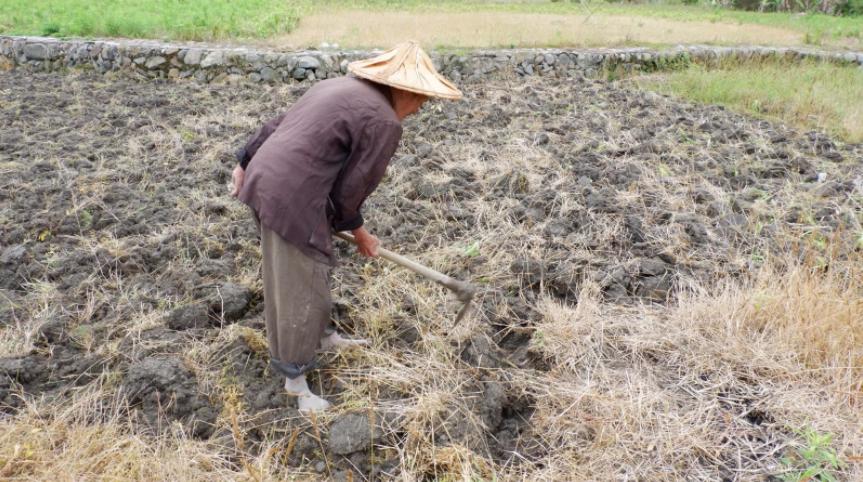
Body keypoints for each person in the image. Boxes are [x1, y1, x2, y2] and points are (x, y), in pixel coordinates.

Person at [229, 41, 462, 412]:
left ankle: (321, 337)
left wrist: (244, 162)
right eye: (421, 99)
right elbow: (353, 187)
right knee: (297, 284)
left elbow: (275, 125)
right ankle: (295, 380)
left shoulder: (335, 86)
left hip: (265, 181)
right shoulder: (383, 121)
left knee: (311, 270)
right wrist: (360, 233)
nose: (420, 109)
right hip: (292, 198)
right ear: (404, 89)